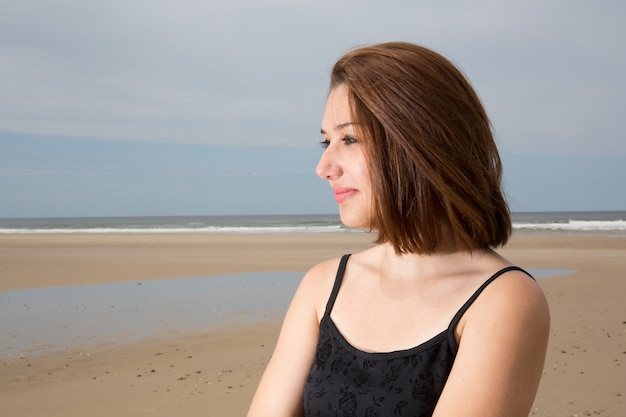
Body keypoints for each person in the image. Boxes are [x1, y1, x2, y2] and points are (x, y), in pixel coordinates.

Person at [247, 42, 550, 417]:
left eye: (350, 139)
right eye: (327, 141)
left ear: (420, 144)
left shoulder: (502, 299)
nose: (324, 166)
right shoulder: (323, 285)